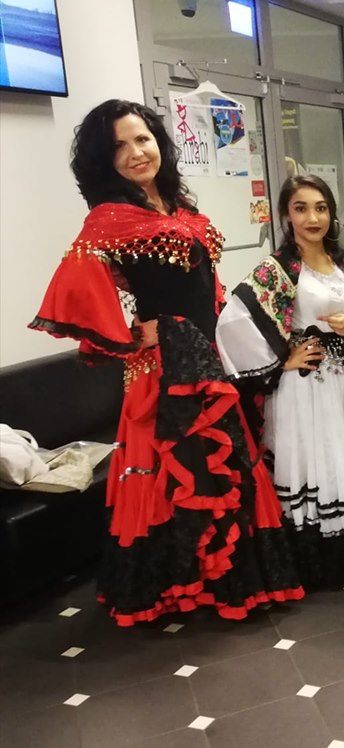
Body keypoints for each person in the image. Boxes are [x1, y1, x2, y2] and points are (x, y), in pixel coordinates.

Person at [28, 99, 304, 625]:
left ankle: (225, 578)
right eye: (119, 147)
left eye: (142, 139)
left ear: (159, 142)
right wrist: (132, 333)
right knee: (183, 471)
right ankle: (187, 587)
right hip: (166, 368)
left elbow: (205, 284)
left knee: (220, 464)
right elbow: (75, 289)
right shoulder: (109, 218)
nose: (135, 153)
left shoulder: (178, 205)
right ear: (104, 160)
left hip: (208, 354)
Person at [215, 175, 344, 588]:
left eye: (321, 208)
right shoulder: (276, 269)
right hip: (304, 386)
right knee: (316, 456)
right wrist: (283, 359)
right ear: (286, 215)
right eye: (301, 208)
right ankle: (319, 556)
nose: (313, 217)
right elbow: (233, 321)